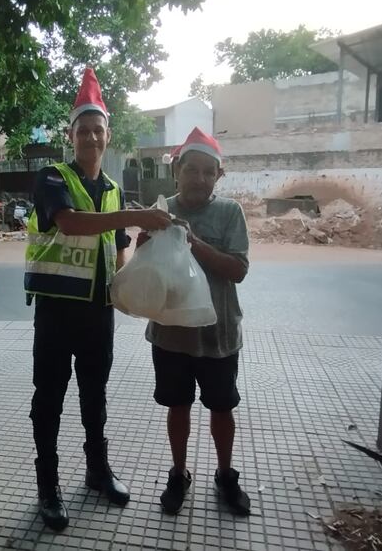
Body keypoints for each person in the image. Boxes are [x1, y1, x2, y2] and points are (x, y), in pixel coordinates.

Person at [25, 67, 173, 531]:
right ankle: (47, 487)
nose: (91, 137)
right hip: (55, 310)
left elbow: (118, 249)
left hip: (97, 313)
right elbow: (68, 223)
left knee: (95, 396)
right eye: (82, 130)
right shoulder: (52, 178)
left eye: (98, 130)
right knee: (48, 399)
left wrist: (140, 253)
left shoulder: (112, 190)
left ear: (108, 135)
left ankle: (96, 470)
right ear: (71, 136)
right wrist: (133, 215)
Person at [141, 127, 252, 517]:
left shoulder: (229, 212)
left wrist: (193, 243)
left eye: (209, 172)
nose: (199, 179)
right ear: (177, 170)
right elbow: (147, 268)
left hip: (218, 334)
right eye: (192, 170)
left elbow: (238, 269)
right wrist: (144, 244)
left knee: (222, 408)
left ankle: (225, 474)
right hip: (171, 334)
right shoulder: (161, 209)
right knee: (178, 407)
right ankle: (179, 472)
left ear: (219, 176)